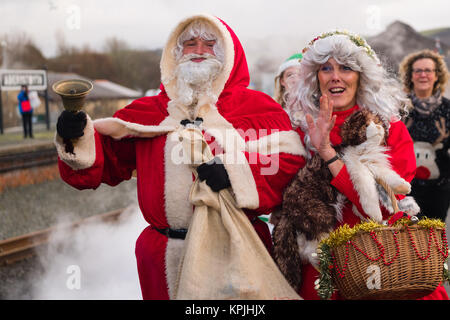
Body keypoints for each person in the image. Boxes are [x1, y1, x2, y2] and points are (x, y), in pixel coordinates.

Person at [54, 14, 305, 300]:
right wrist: (77, 137)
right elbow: (103, 163)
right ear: (175, 53)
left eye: (210, 44)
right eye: (190, 43)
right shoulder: (148, 111)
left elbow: (289, 163)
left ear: (228, 55)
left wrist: (235, 173)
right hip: (163, 256)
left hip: (236, 248)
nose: (199, 51)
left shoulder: (258, 108)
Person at [282, 30, 448, 300]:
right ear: (316, 77)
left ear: (362, 76)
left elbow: (382, 205)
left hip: (381, 255)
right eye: (326, 68)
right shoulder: (299, 127)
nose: (335, 76)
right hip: (321, 261)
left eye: (346, 68)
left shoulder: (388, 127)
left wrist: (327, 152)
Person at [399, 49, 450, 222]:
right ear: (410, 76)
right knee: (407, 241)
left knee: (434, 240)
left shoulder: (448, 109)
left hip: (439, 188)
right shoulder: (398, 108)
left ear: (437, 76)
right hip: (404, 188)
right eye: (418, 70)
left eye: (428, 70)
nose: (423, 75)